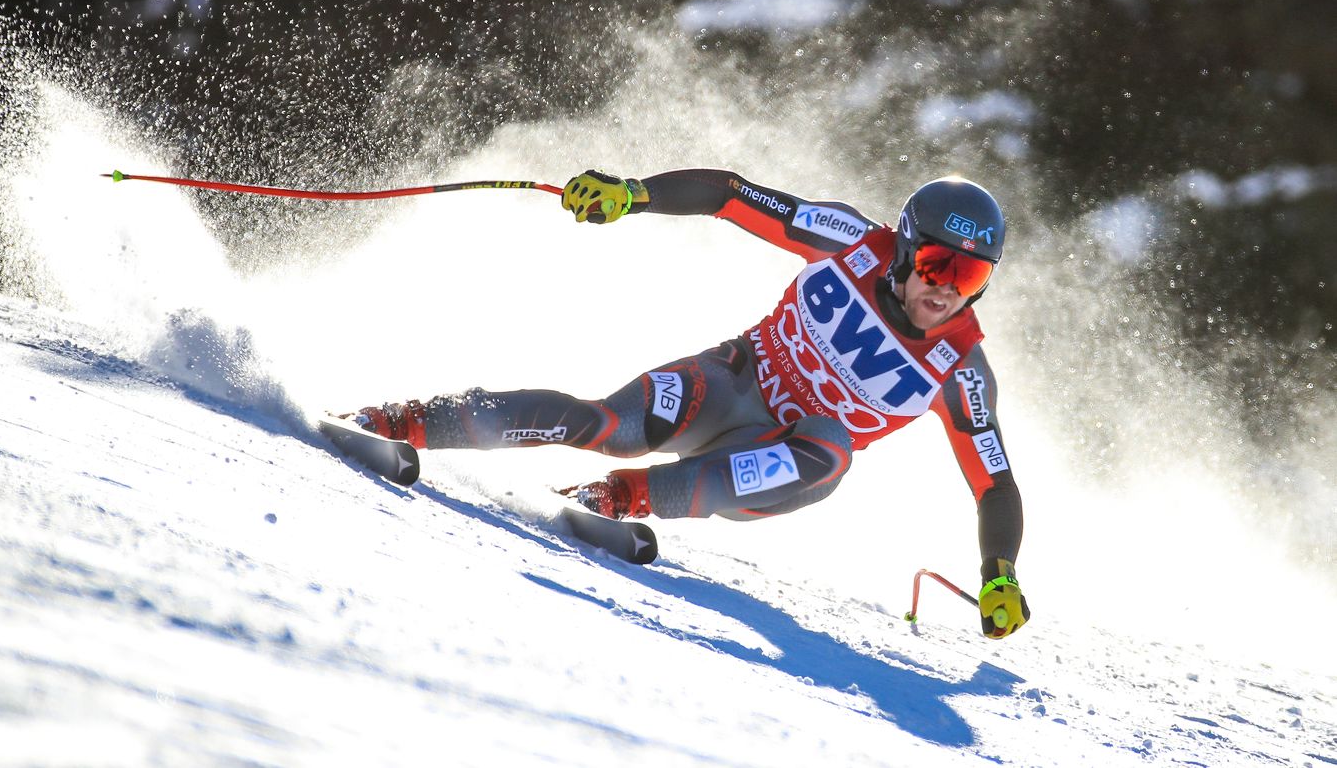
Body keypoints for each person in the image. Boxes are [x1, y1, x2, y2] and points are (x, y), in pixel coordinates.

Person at [354, 168, 1029, 639]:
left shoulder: (959, 367)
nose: (948, 290)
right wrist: (633, 194)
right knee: (609, 424)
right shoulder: (851, 240)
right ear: (906, 249)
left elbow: (993, 480)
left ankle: (623, 498)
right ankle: (398, 420)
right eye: (939, 266)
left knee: (832, 447)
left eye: (970, 276)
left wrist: (999, 574)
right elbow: (731, 196)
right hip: (728, 386)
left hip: (777, 461)